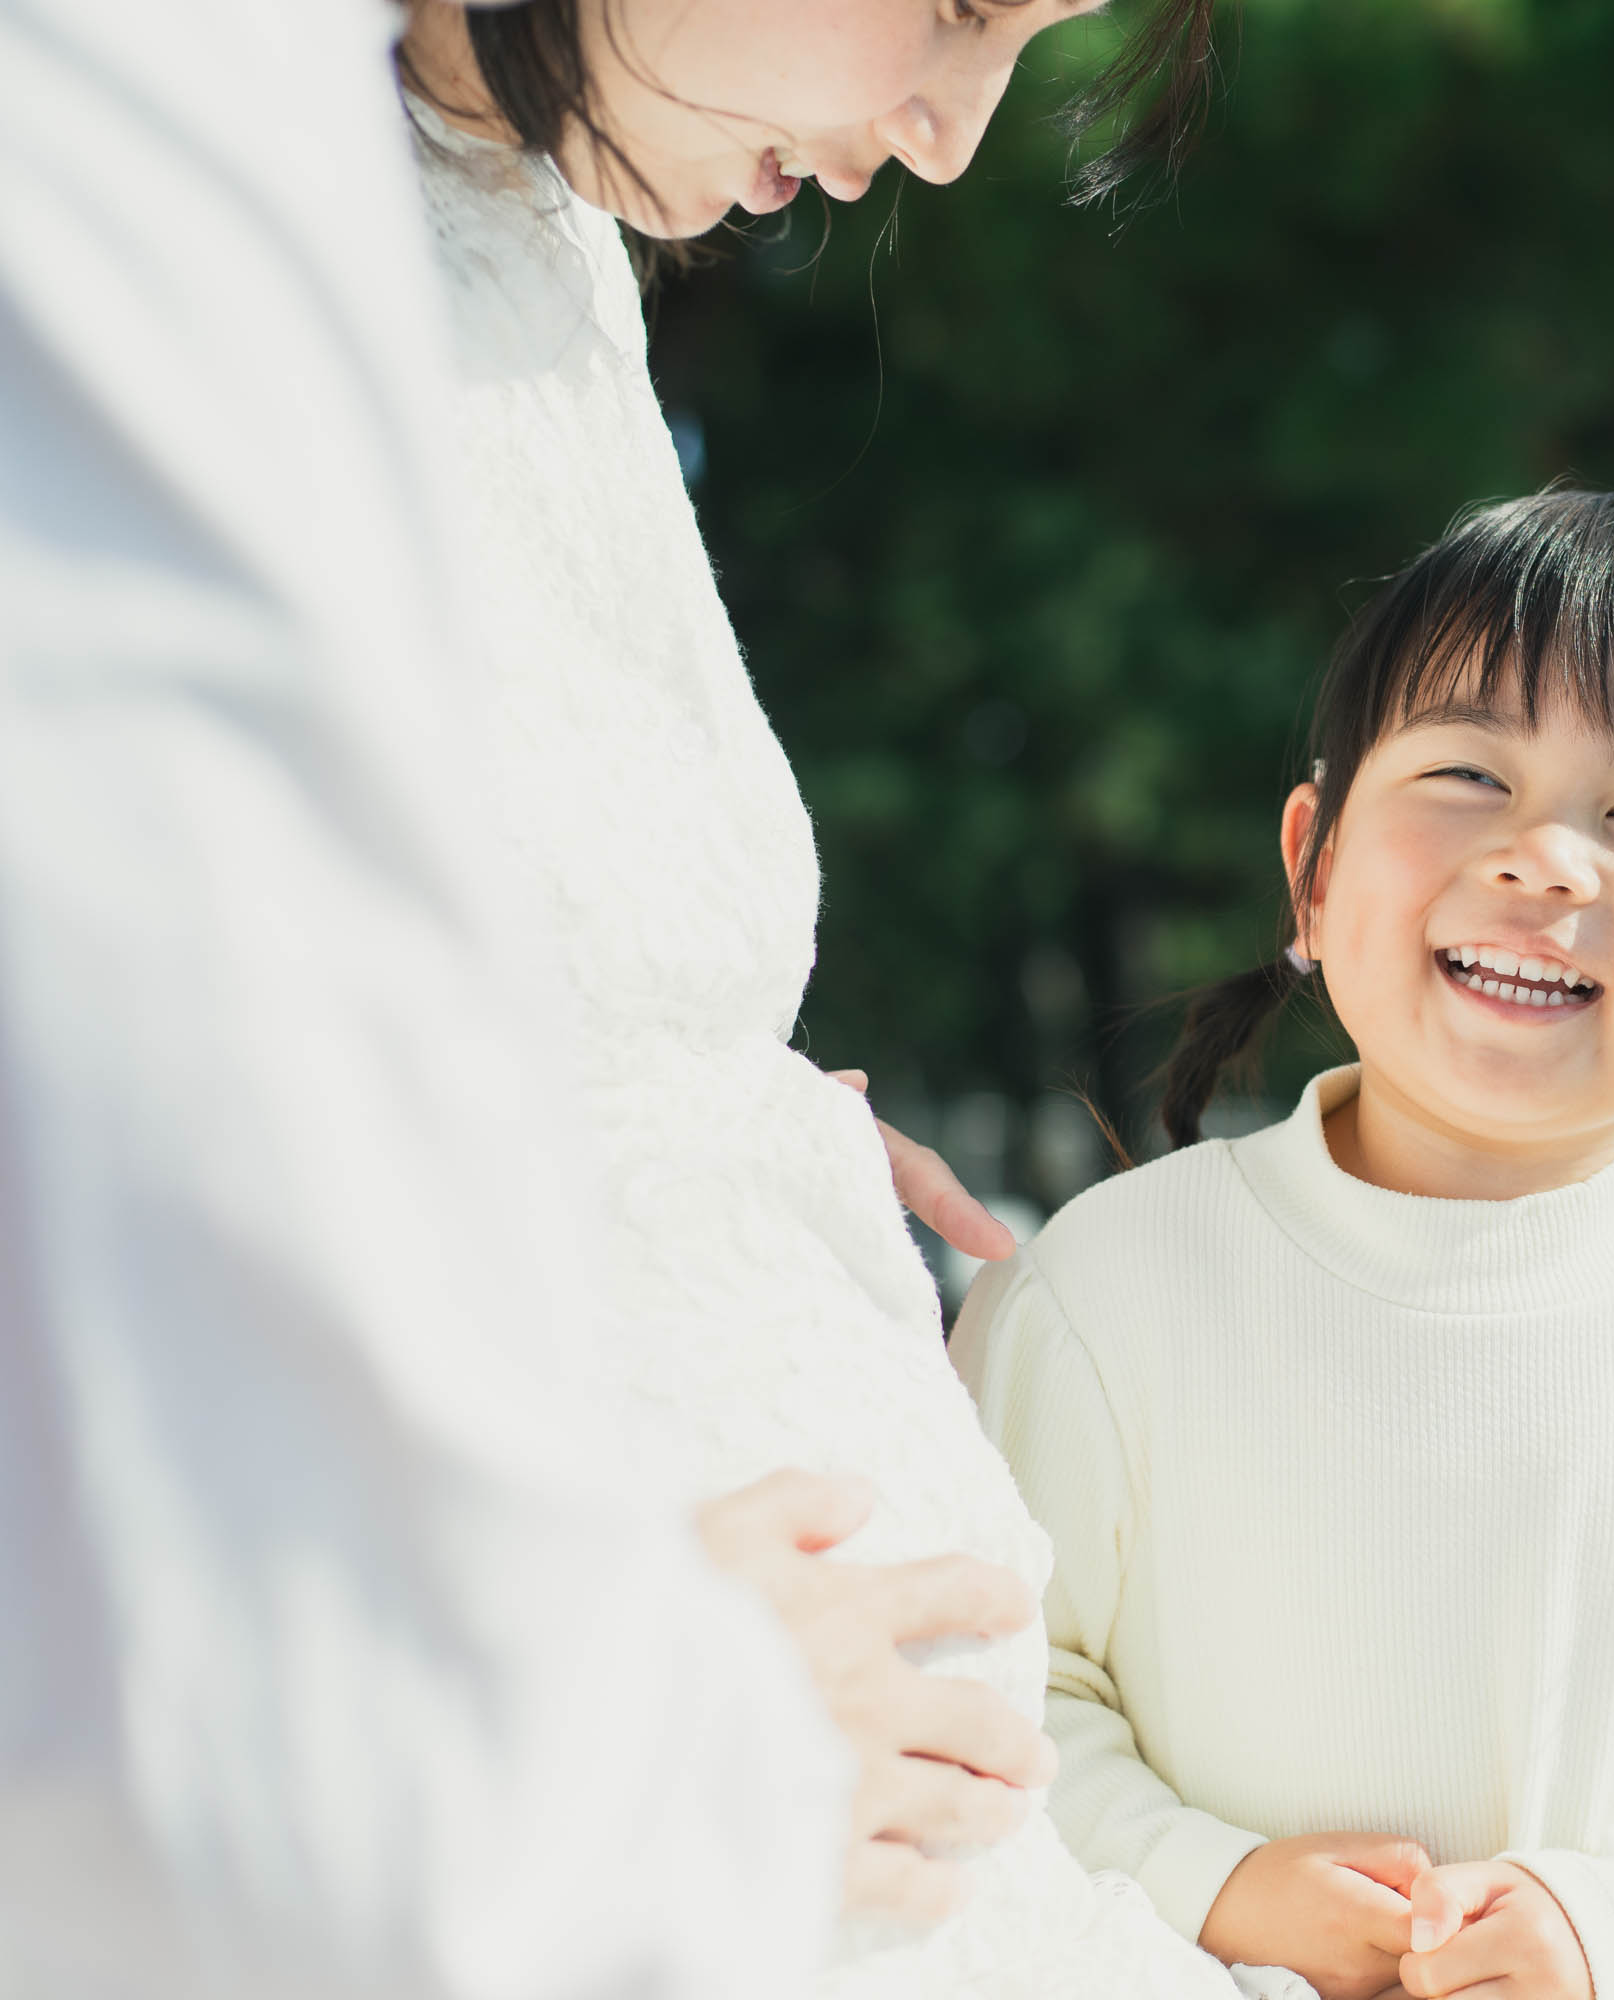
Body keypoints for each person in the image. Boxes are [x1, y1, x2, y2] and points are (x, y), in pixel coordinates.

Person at [383, 2, 1307, 1994]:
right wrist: (529, 1670)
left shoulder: (528, 230)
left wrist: (726, 1128)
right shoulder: (118, 202)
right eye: (963, 5)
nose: (957, 136)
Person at [959, 490, 1614, 2000]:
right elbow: (987, 1689)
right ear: (1312, 864)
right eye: (1463, 771)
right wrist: (1215, 1884)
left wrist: (1612, 1930)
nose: (1544, 860)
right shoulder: (1101, 1293)